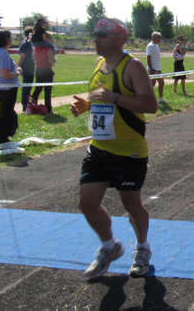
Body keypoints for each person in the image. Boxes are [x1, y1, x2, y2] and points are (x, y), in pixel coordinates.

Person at [70, 18, 157, 280]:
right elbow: (102, 100)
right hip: (99, 148)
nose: (95, 39)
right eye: (95, 34)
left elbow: (150, 105)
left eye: (101, 35)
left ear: (119, 38)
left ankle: (142, 248)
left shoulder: (133, 67)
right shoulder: (99, 64)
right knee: (86, 203)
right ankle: (110, 247)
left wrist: (115, 98)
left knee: (131, 204)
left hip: (128, 150)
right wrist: (87, 106)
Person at [0, 29, 21, 144]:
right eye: (10, 37)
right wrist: (18, 72)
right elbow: (5, 74)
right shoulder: (2, 53)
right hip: (6, 88)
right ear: (6, 39)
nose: (12, 39)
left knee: (6, 112)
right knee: (5, 113)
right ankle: (3, 138)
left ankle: (4, 135)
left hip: (2, 87)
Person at [31, 32, 56, 113]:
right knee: (47, 91)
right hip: (47, 70)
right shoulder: (48, 49)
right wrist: (54, 61)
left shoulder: (35, 49)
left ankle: (32, 105)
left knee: (37, 89)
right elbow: (52, 61)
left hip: (38, 70)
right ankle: (48, 108)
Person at [17, 26, 35, 112]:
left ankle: (27, 105)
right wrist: (18, 66)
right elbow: (22, 57)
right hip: (27, 68)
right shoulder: (26, 43)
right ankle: (24, 106)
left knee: (28, 87)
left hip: (30, 68)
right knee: (26, 87)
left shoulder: (29, 43)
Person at [146, 32, 165, 105]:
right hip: (153, 69)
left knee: (161, 83)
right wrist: (151, 69)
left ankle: (161, 99)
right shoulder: (150, 46)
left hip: (158, 69)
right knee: (152, 85)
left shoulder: (156, 46)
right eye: (159, 37)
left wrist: (158, 69)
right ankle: (148, 99)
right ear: (155, 38)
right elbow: (148, 58)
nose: (160, 39)